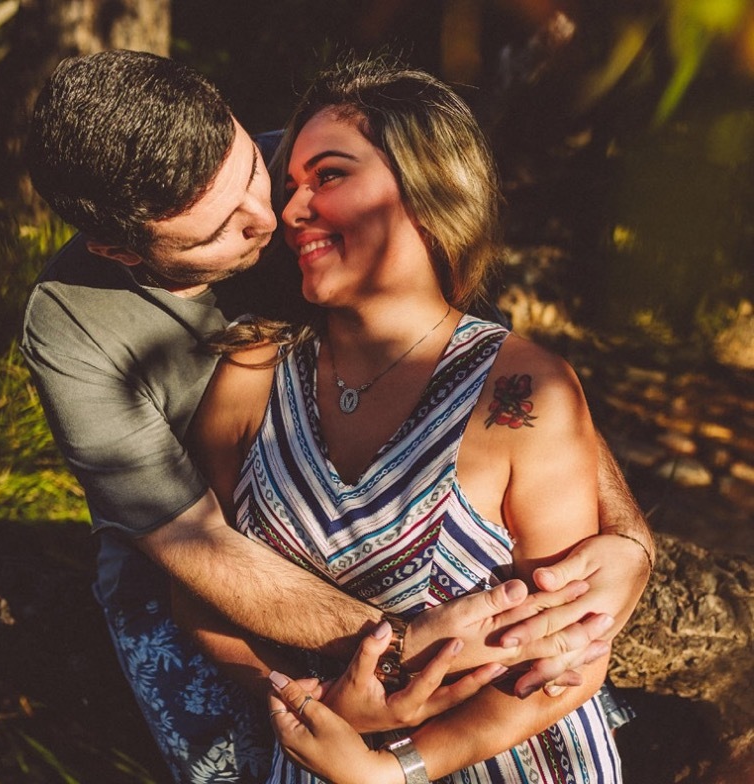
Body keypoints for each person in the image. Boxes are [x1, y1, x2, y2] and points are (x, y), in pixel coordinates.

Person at [21, 49, 653, 783]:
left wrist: (629, 538)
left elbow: (497, 372)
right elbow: (193, 551)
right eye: (224, 227)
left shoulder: (323, 166)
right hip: (189, 541)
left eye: (255, 173)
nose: (275, 220)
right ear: (119, 249)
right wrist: (365, 678)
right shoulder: (73, 325)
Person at [186, 58, 629, 783]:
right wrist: (318, 708)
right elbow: (198, 592)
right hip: (319, 756)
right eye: (291, 186)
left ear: (427, 189)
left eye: (327, 177)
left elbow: (570, 659)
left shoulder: (523, 390)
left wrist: (393, 770)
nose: (292, 213)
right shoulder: (252, 373)